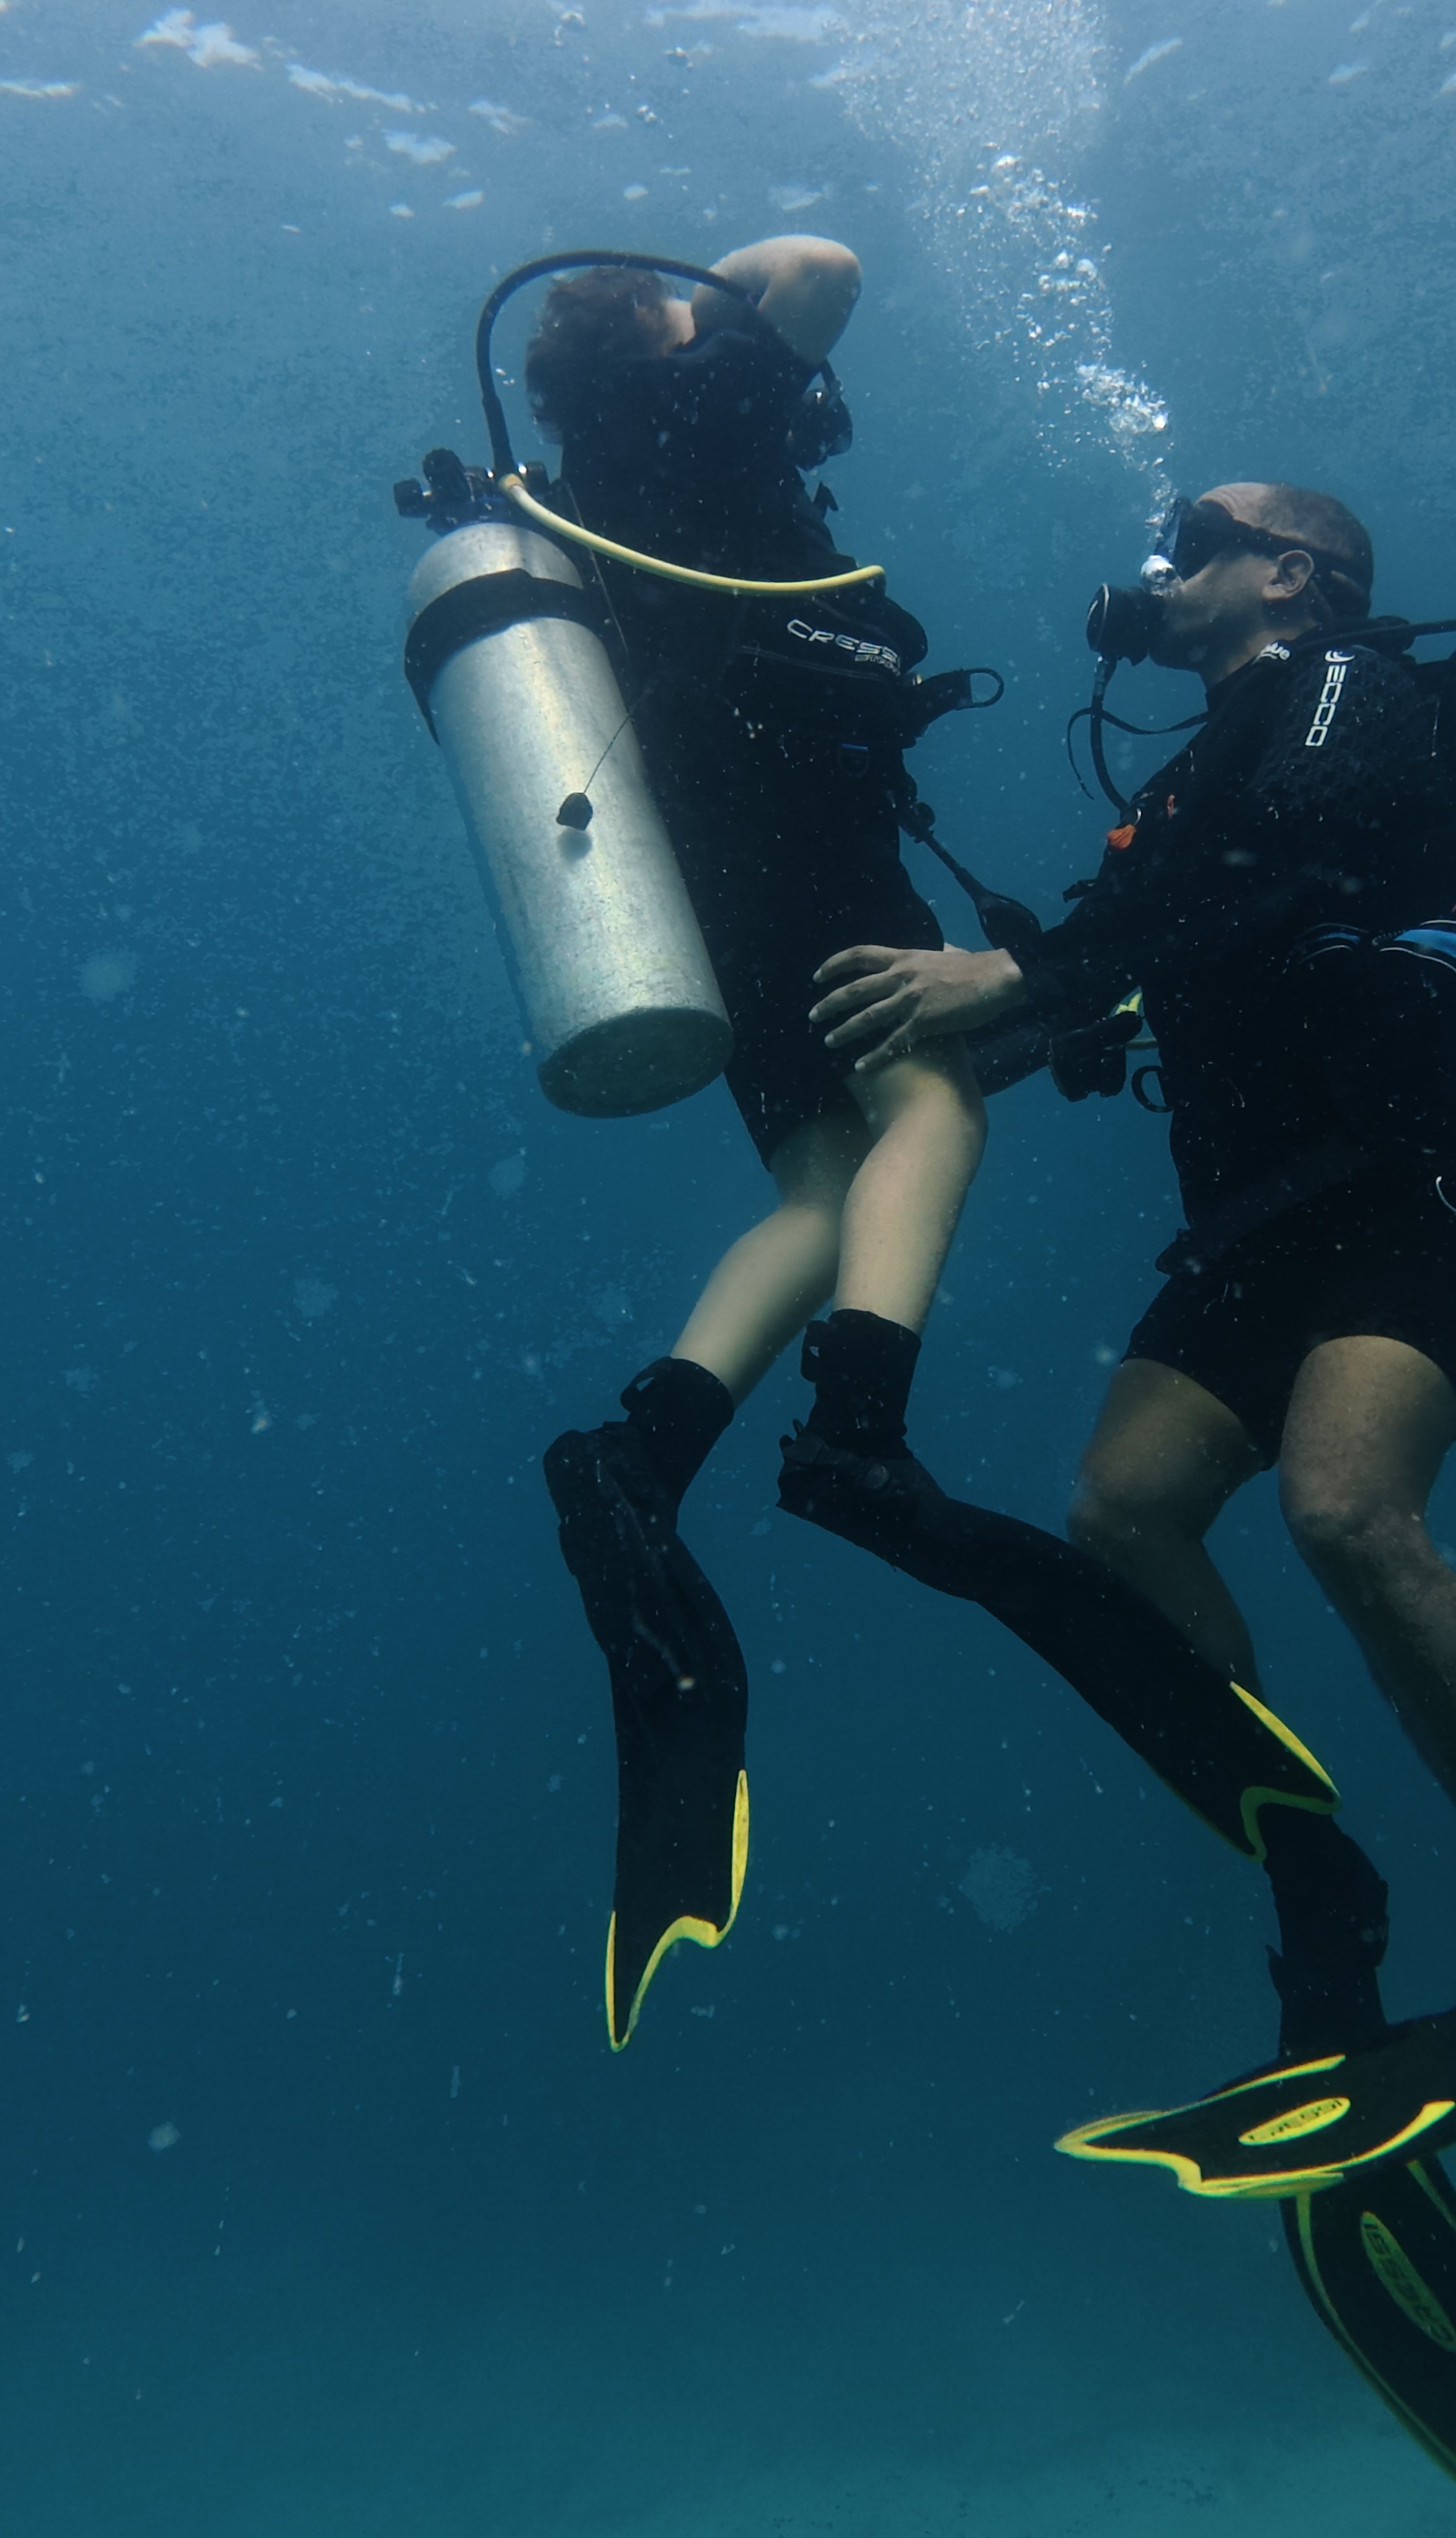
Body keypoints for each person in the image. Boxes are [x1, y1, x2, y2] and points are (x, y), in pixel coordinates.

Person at [778, 482, 1456, 2192]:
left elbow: (1293, 856)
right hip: (1266, 1206)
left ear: (1291, 573)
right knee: (1125, 1508)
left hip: (1421, 1160)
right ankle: (1317, 1878)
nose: (1162, 560)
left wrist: (1019, 981)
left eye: (1200, 532)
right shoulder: (1187, 783)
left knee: (1348, 1511)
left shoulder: (1347, 685)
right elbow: (1145, 960)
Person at [512, 237, 999, 2048]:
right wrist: (697, 298)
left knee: (819, 1178)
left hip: (705, 866)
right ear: (651, 339)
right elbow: (825, 262)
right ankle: (859, 1430)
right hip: (801, 832)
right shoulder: (701, 406)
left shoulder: (599, 481)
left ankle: (639, 1453)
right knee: (931, 1103)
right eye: (673, 307)